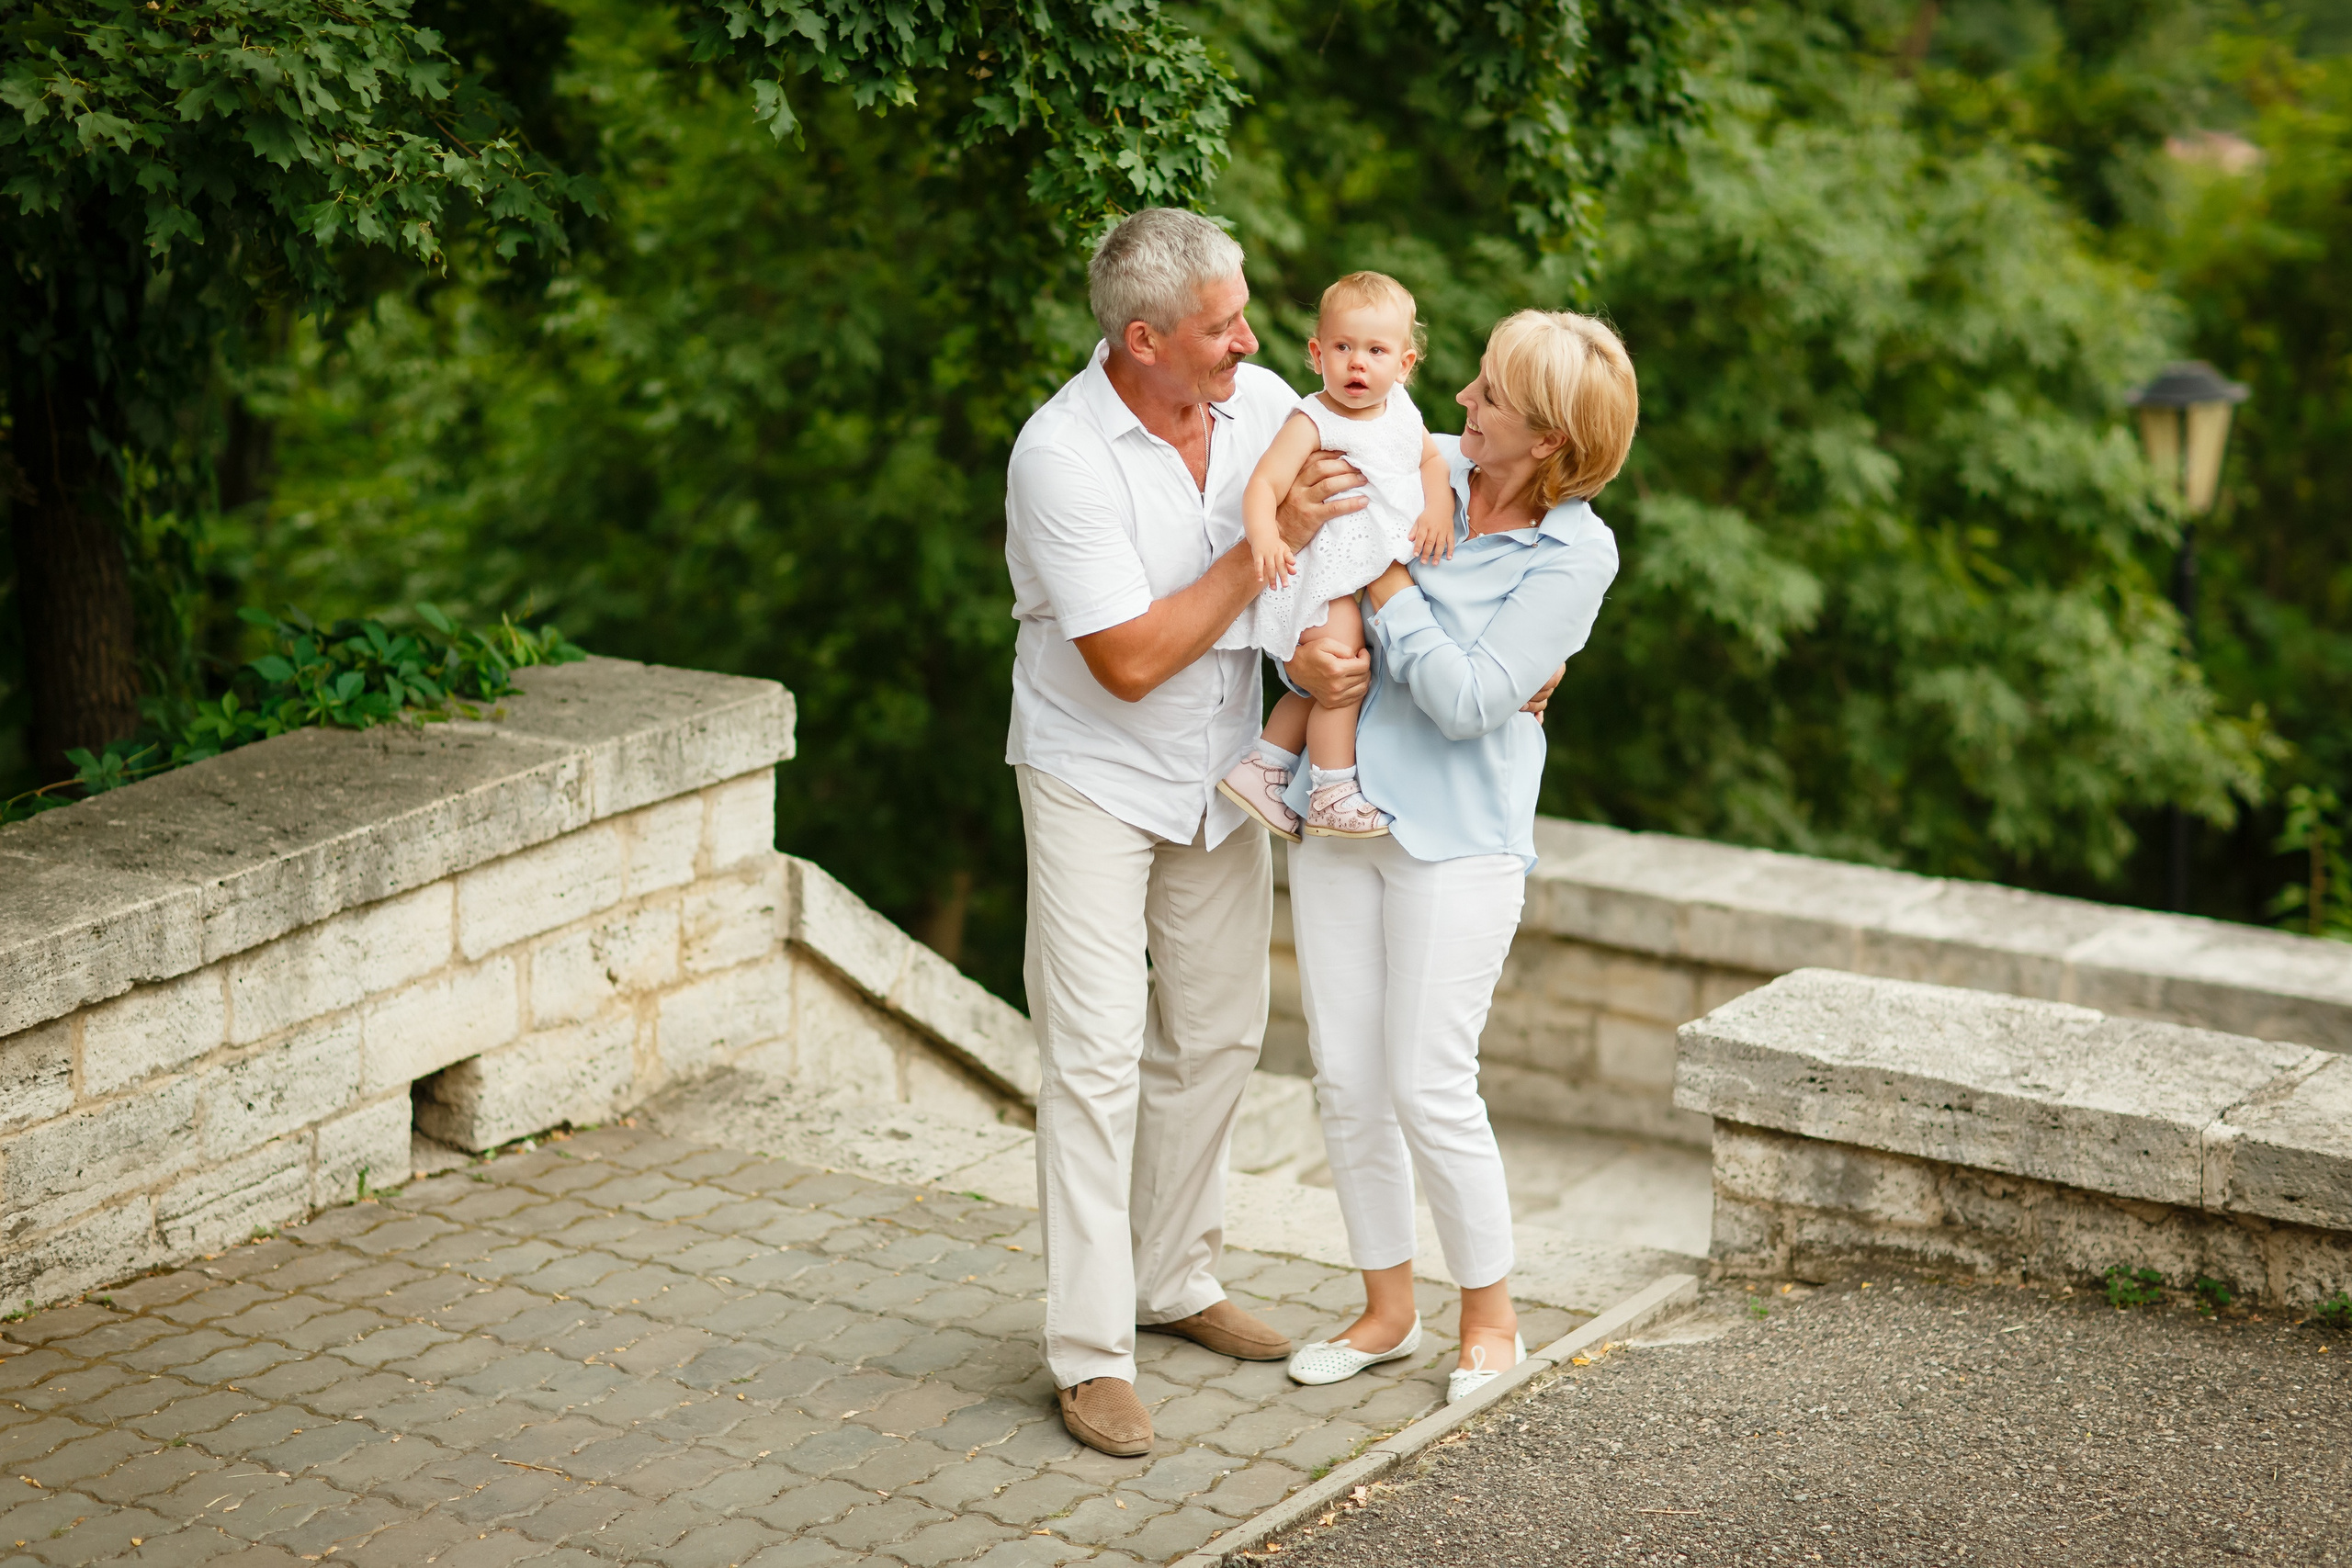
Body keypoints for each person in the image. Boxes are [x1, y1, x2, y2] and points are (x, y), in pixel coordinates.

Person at [1002, 209, 1374, 1457]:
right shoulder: (1061, 455)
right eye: (1225, 327)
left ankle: (1175, 1279)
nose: (1253, 341)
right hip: (1094, 771)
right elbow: (1129, 658)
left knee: (1218, 1031)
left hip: (1221, 772)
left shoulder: (1264, 401)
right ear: (1144, 338)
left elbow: (1363, 531)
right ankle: (1091, 1348)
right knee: (1096, 1057)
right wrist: (1272, 556)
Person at [1277, 310, 1636, 1404]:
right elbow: (1294, 564)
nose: (1462, 405)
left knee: (1428, 1083)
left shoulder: (1578, 551)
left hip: (1459, 842)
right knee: (1345, 1081)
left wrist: (1385, 587)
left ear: (1553, 447)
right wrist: (1306, 629)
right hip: (1342, 812)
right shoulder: (1409, 453)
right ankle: (1387, 1312)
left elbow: (1475, 701)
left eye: (1490, 398)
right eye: (1472, 383)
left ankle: (1493, 1319)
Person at [1216, 272, 1455, 842]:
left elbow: (1432, 462)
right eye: (1343, 348)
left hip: (1363, 571)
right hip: (1322, 575)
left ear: (1405, 364)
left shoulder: (1399, 409)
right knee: (1342, 668)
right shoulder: (1313, 420)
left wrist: (1437, 510)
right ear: (1316, 352)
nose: (1357, 364)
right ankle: (1331, 789)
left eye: (1375, 351)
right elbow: (1262, 486)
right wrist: (1267, 539)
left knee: (1331, 674)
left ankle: (1266, 763)